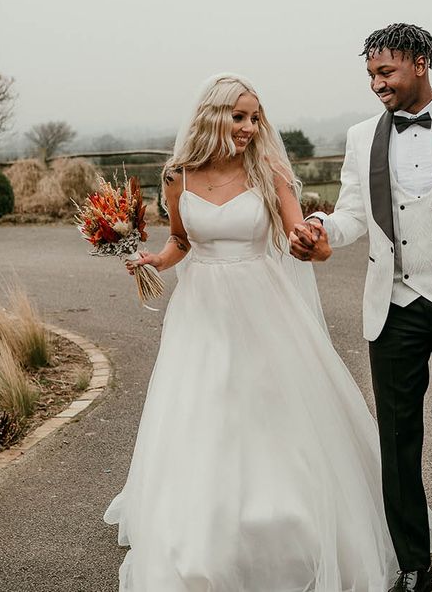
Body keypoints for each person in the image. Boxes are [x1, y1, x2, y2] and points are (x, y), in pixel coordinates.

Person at [103, 74, 398, 591]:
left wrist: (315, 240)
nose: (249, 127)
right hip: (200, 311)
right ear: (212, 115)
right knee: (205, 409)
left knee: (267, 408)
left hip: (263, 304)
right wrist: (155, 259)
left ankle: (282, 520)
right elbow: (180, 239)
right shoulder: (178, 177)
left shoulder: (268, 171)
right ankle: (205, 527)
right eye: (238, 116)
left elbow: (297, 233)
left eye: (255, 117)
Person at [291, 23, 432, 592]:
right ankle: (413, 565)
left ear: (420, 63)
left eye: (385, 72)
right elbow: (350, 215)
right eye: (370, 74)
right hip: (393, 306)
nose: (377, 84)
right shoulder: (361, 135)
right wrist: (319, 228)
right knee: (397, 440)